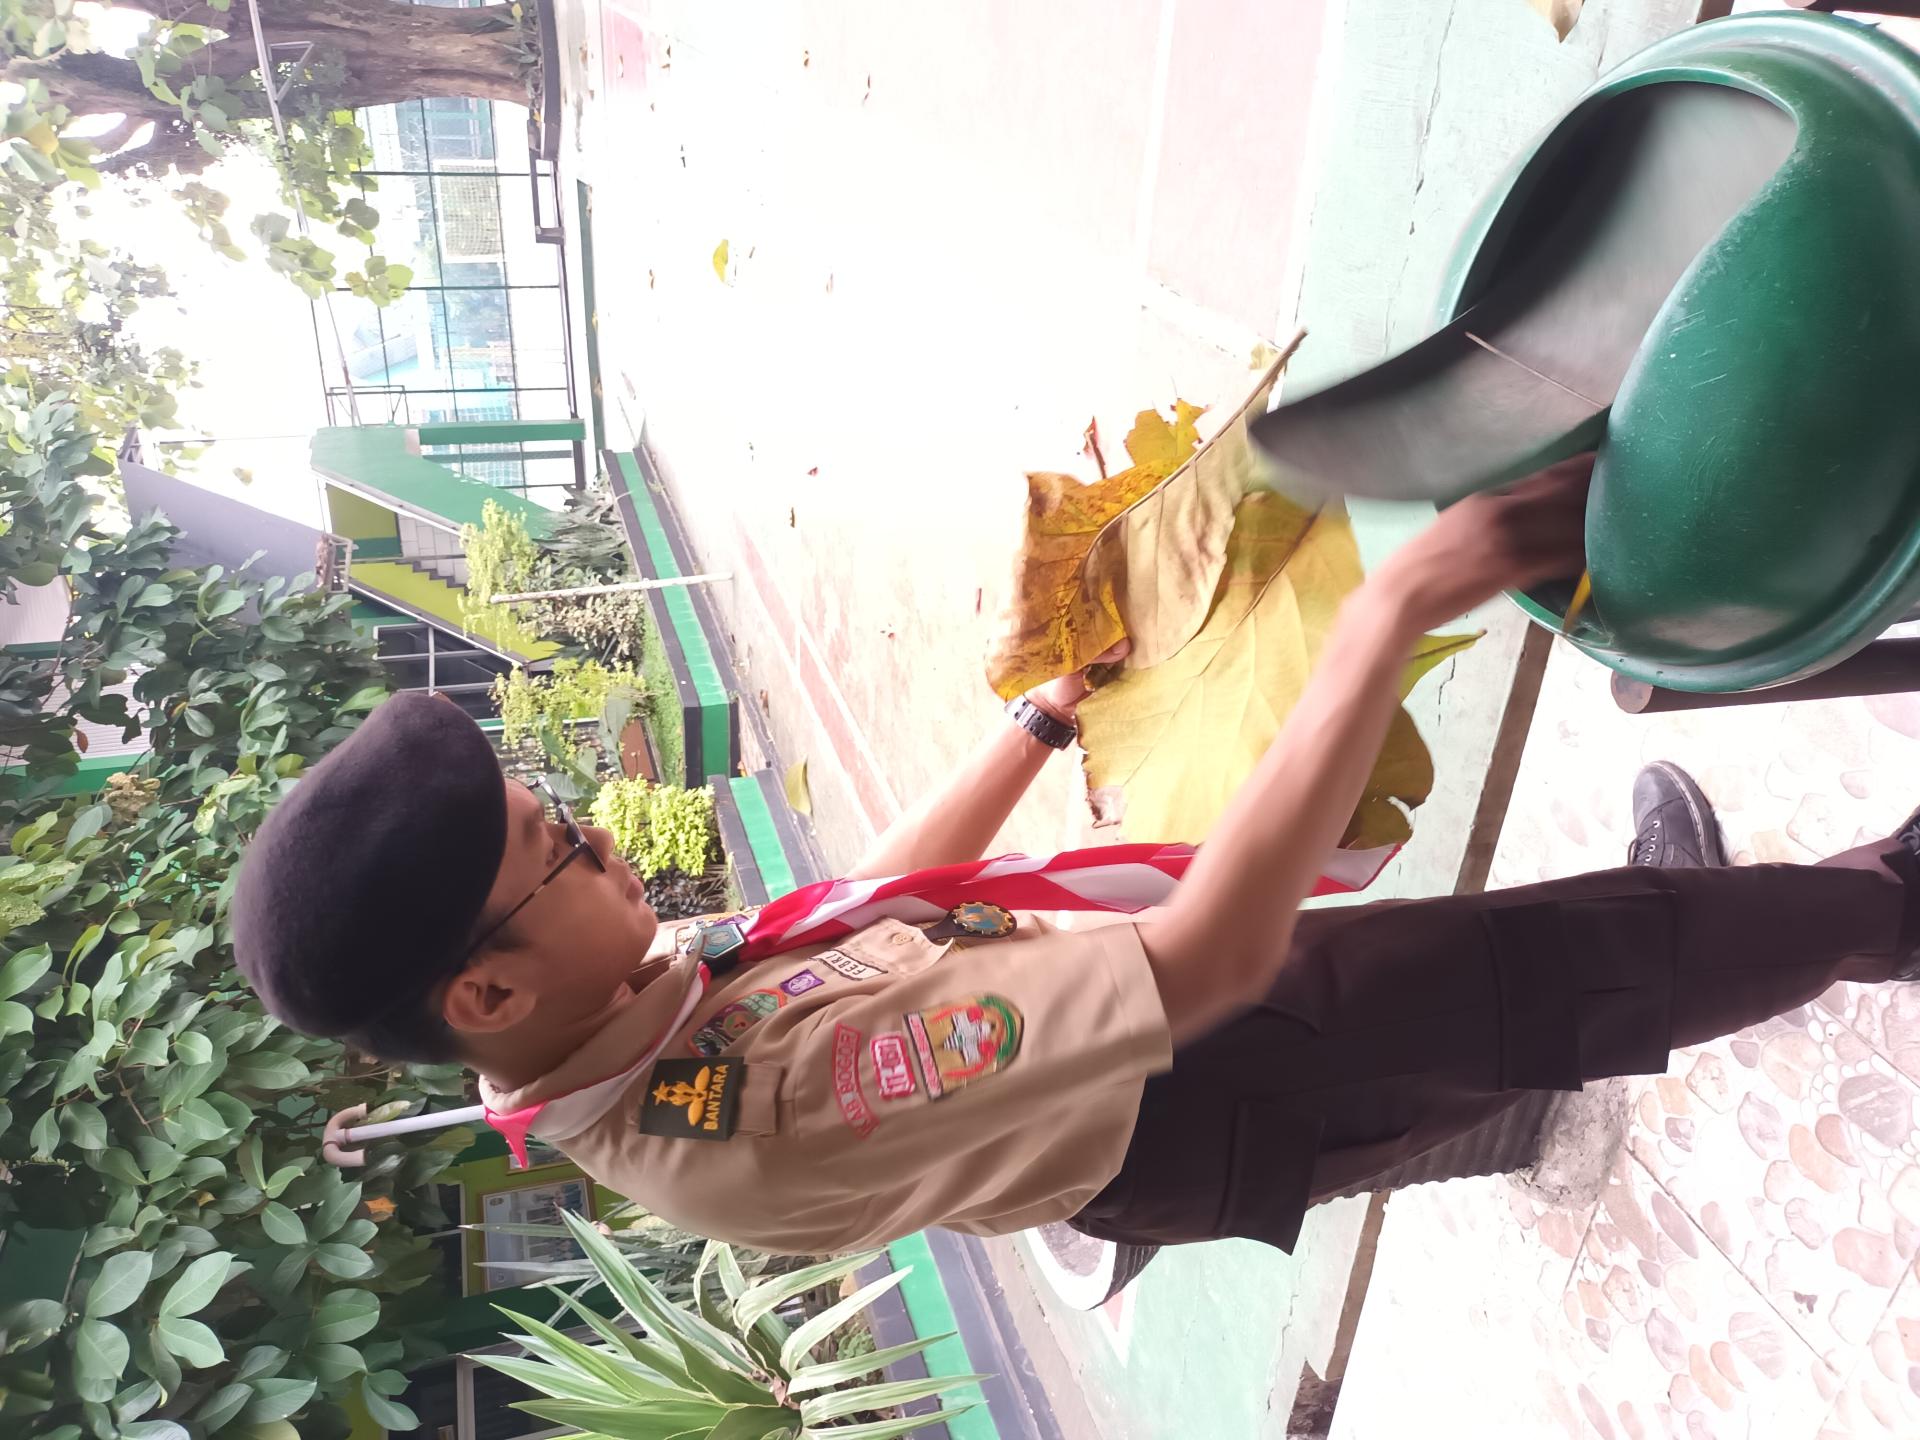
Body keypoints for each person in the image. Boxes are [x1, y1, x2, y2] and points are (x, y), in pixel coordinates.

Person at [231, 458, 1919, 1256]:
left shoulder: (616, 1021)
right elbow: (1205, 966)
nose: (604, 839)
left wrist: (1039, 725)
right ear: (486, 989)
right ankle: (1878, 911)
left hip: (1144, 1044)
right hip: (1202, 1071)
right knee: (1557, 976)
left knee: (1538, 970)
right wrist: (1392, 611)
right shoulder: (746, 1118)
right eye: (562, 847)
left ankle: (1768, 920)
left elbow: (864, 913)